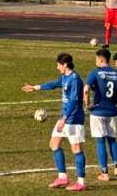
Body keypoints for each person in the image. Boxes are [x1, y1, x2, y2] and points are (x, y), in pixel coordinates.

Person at [22, 53, 87, 192]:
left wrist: (64, 119)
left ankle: (81, 182)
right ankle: (63, 177)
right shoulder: (65, 77)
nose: (57, 67)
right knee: (54, 143)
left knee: (76, 149)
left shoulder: (75, 79)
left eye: (58, 64)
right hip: (65, 118)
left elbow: (75, 102)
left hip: (74, 119)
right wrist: (36, 87)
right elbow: (54, 84)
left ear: (65, 64)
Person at [84, 49, 117, 181]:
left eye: (96, 60)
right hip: (112, 112)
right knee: (112, 140)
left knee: (100, 141)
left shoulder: (95, 72)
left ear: (101, 60)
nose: (95, 62)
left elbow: (86, 89)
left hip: (98, 112)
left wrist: (88, 104)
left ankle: (105, 173)